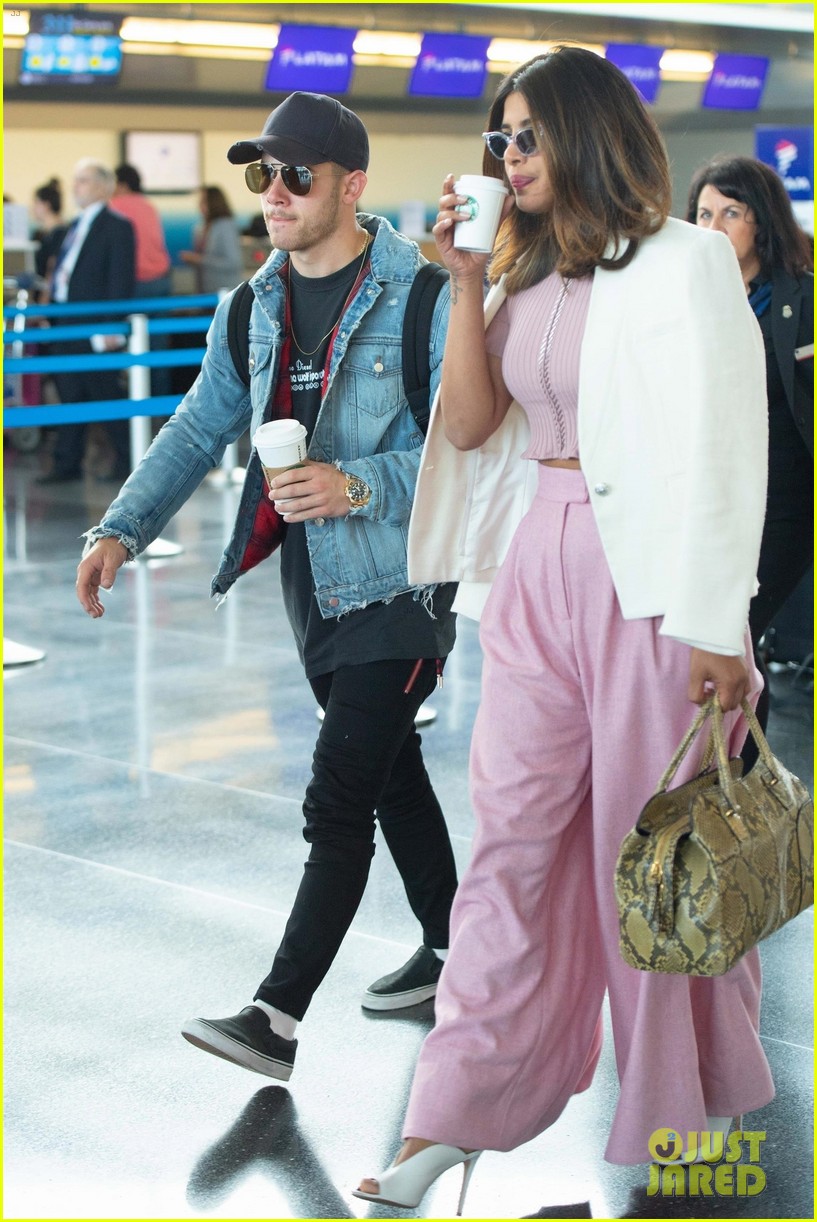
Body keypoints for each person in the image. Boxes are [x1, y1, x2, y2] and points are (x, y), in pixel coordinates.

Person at [354, 46, 774, 1213]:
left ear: (586, 135)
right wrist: (464, 283)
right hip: (534, 570)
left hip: (650, 588)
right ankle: (452, 1118)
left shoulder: (688, 262)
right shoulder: (516, 270)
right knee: (511, 855)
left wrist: (714, 624)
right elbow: (478, 422)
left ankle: (689, 1125)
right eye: (500, 140)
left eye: (527, 136)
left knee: (658, 868)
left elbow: (731, 450)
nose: (508, 158)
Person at [75, 92, 458, 1081]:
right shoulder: (250, 304)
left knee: (337, 797)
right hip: (313, 585)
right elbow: (201, 426)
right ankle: (460, 952)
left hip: (403, 582)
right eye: (263, 174)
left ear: (351, 185)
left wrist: (354, 481)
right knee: (391, 777)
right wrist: (122, 527)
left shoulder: (422, 294)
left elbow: (468, 450)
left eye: (296, 174)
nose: (274, 194)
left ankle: (275, 1018)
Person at [687, 155, 813, 769]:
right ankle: (732, 786)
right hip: (710, 502)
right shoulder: (684, 303)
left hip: (783, 507)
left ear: (759, 223)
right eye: (703, 213)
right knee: (732, 645)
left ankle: (738, 782)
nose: (712, 227)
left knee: (732, 635)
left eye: (729, 213)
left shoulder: (798, 302)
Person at [39, 158, 136, 483]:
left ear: (102, 186)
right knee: (70, 393)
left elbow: (120, 281)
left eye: (82, 180)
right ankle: (67, 463)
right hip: (66, 322)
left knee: (105, 393)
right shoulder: (73, 226)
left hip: (93, 324)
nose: (74, 187)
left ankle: (128, 461)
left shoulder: (117, 226)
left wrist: (110, 326)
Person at [111, 163, 172, 297]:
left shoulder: (113, 207)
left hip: (135, 281)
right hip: (161, 278)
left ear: (122, 185)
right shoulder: (149, 207)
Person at [180, 185, 244, 293]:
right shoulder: (202, 228)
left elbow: (233, 263)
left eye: (203, 201)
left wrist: (199, 259)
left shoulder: (225, 226)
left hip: (224, 292)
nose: (199, 205)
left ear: (214, 203)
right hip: (207, 290)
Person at [31, 178, 67, 285]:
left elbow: (53, 266)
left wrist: (45, 296)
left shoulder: (60, 233)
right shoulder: (42, 233)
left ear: (46, 204)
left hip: (47, 292)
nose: (32, 208)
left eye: (36, 203)